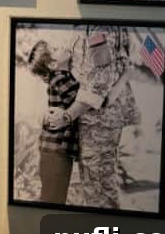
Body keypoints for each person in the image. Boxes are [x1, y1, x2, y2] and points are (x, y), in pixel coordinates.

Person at [45, 26, 140, 209]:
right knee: (97, 187)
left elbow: (99, 83)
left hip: (99, 121)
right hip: (92, 118)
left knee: (98, 191)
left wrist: (67, 116)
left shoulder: (99, 28)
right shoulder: (86, 25)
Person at [28, 40, 80, 204]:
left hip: (53, 150)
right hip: (57, 151)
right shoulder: (61, 80)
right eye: (56, 48)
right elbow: (84, 101)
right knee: (54, 198)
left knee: (53, 195)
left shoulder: (59, 78)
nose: (63, 45)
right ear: (52, 63)